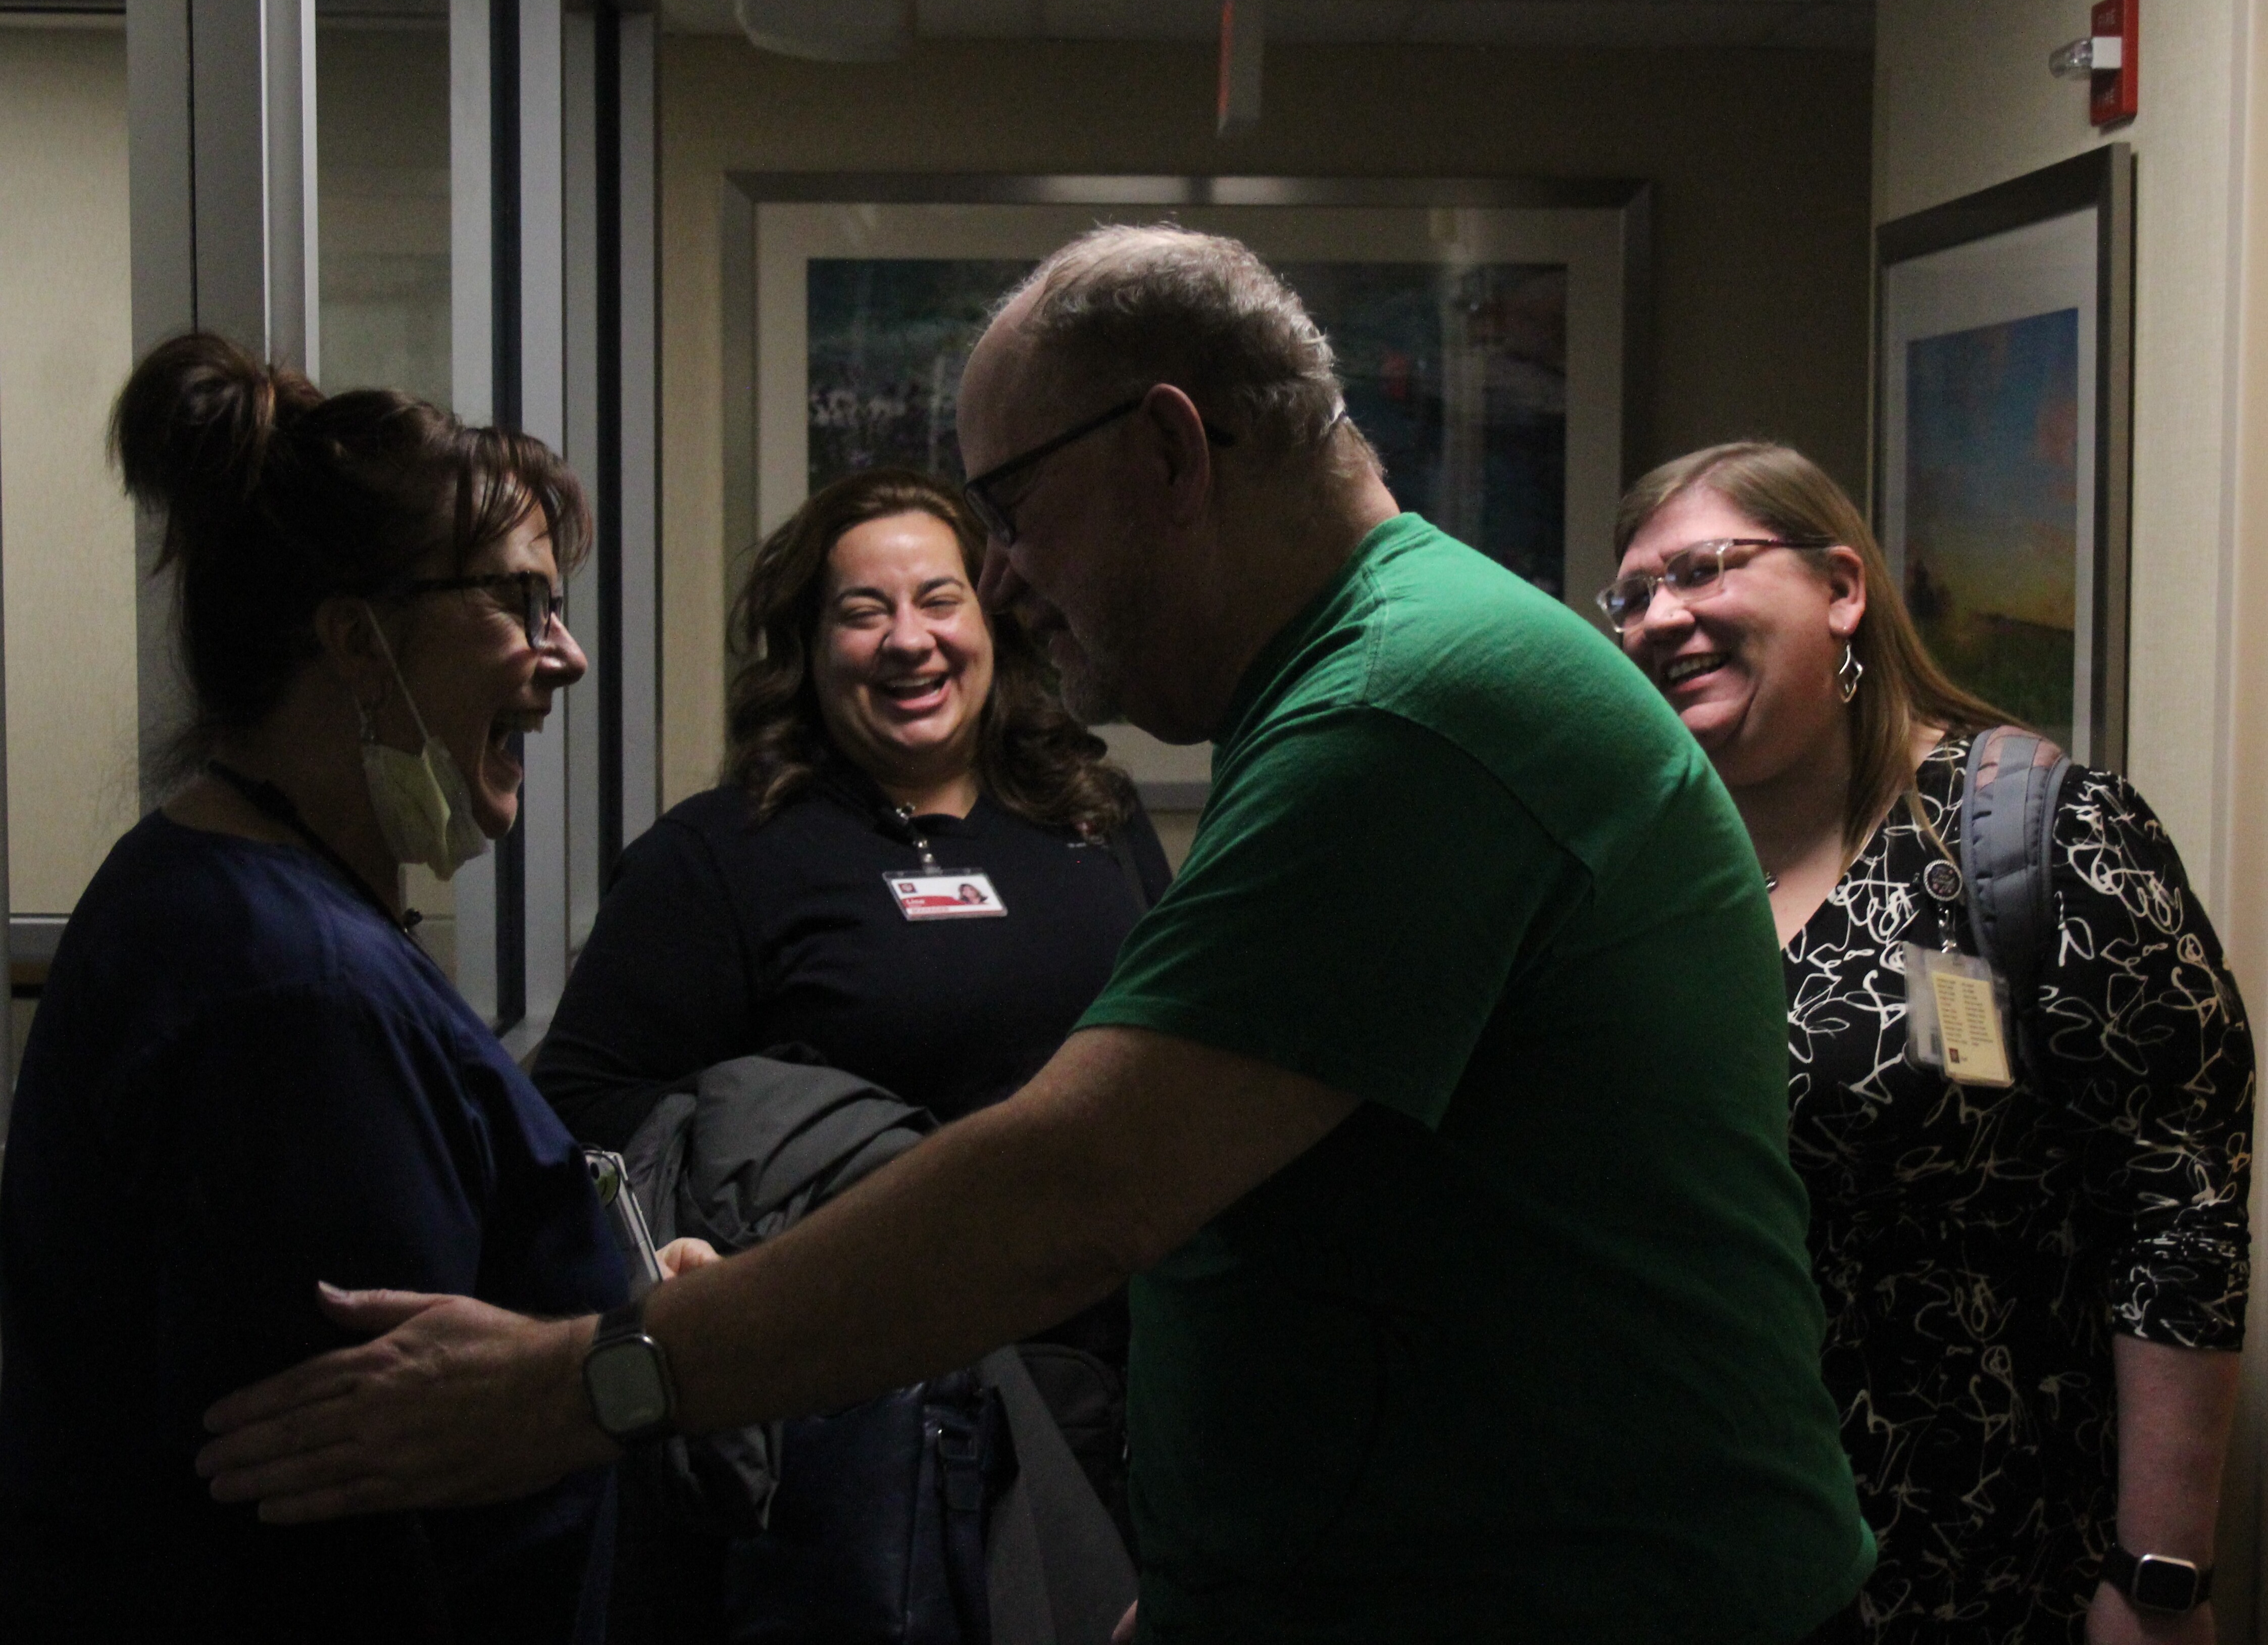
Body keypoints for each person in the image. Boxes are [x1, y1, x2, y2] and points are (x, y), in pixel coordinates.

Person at [195, 227, 1874, 1643]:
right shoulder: (1365, 684)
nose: (1004, 577)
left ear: (1167, 451)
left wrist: (586, 1381)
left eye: (1013, 509)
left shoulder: (1415, 713)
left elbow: (1072, 1196)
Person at [0, 333, 700, 1643]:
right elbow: (348, 1527)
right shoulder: (288, 997)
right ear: (358, 643)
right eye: (519, 604)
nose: (566, 658)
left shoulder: (227, 900)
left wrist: (627, 1295)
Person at [1603, 441, 2253, 1644]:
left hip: (1981, 1553)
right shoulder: (1648, 866)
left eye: (1702, 570)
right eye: (1631, 595)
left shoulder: (2025, 839)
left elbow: (2179, 1205)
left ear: (1841, 588)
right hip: (1711, 1550)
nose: (1661, 618)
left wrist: (2159, 1574)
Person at [530, 467, 1167, 1632]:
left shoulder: (1097, 823)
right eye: (862, 612)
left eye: (939, 599)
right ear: (807, 648)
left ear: (993, 621)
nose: (907, 641)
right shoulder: (721, 856)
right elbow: (580, 1103)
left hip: (1109, 1389)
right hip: (864, 1414)